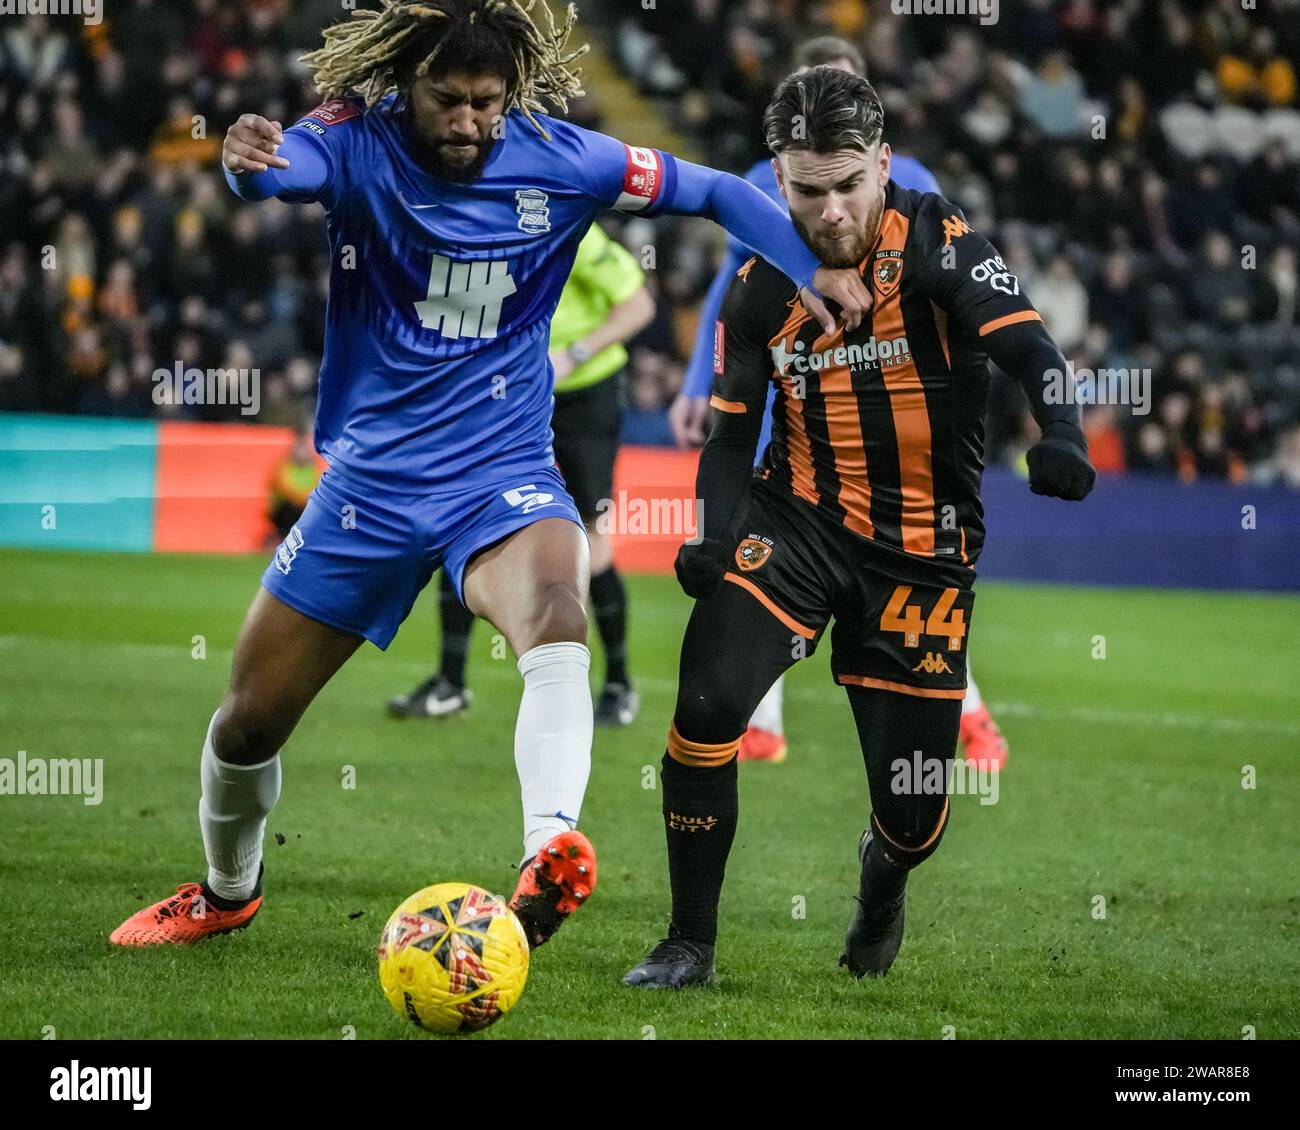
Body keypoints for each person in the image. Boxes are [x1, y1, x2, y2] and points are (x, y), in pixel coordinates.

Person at [108, 0, 870, 953]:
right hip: (369, 489)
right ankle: (228, 891)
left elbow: (716, 191)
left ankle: (547, 853)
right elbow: (284, 171)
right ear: (405, 85)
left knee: (558, 610)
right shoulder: (354, 139)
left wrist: (809, 268)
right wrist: (246, 160)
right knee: (246, 723)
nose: (468, 122)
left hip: (500, 471)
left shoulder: (566, 158)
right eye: (448, 100)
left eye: (487, 102)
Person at [625, 67, 1094, 988]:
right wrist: (715, 537)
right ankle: (689, 943)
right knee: (708, 701)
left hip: (923, 547)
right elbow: (727, 436)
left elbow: (1029, 346)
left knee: (914, 810)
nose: (831, 210)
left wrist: (1064, 432)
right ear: (777, 177)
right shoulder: (758, 280)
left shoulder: (941, 238)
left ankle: (883, 882)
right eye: (808, 189)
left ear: (884, 163)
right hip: (795, 522)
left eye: (849, 185)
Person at [670, 36, 1010, 769]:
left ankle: (970, 713)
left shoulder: (912, 179)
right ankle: (759, 720)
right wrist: (701, 382)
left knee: (908, 582)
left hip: (886, 406)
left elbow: (952, 268)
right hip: (786, 387)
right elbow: (730, 297)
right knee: (764, 556)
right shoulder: (764, 182)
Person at [388, 222, 653, 726]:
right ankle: (450, 684)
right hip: (505, 393)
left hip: (583, 396)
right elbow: (451, 322)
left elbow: (639, 306)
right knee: (464, 518)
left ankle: (619, 686)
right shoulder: (470, 236)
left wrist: (572, 356)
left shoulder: (570, 229)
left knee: (592, 536)